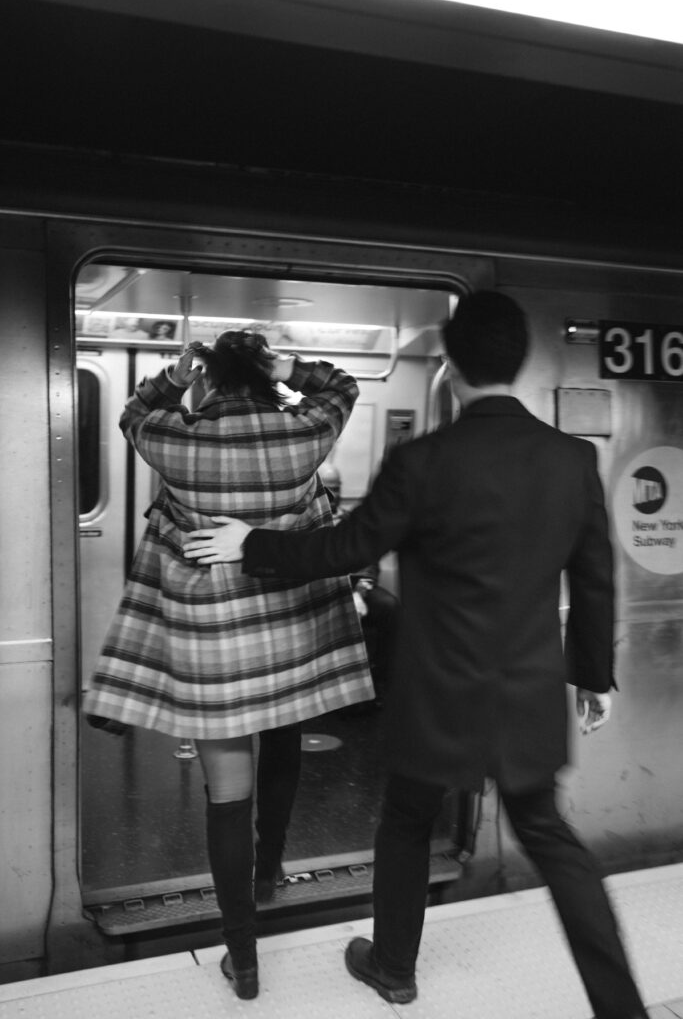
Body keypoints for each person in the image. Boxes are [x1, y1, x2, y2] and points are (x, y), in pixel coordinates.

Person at [183, 293, 648, 1019]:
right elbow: (593, 578)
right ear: (518, 362)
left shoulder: (423, 460)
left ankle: (393, 967)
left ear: (451, 368)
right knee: (553, 841)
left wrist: (252, 542)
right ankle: (622, 1008)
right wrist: (592, 677)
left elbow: (346, 548)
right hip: (525, 694)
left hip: (436, 695)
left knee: (405, 820)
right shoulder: (570, 459)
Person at [84, 331, 374, 1001]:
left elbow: (131, 414)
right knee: (282, 741)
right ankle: (269, 864)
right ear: (266, 376)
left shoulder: (175, 439)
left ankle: (242, 960)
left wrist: (171, 377)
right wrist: (290, 366)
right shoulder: (303, 432)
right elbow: (342, 388)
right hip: (289, 635)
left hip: (213, 642)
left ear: (209, 383)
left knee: (226, 792)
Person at [319, 461, 399, 705]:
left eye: (337, 488)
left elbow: (368, 560)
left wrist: (360, 592)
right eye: (327, 489)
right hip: (321, 589)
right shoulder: (308, 521)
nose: (334, 495)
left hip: (355, 586)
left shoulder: (351, 520)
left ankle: (379, 684)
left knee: (390, 607)